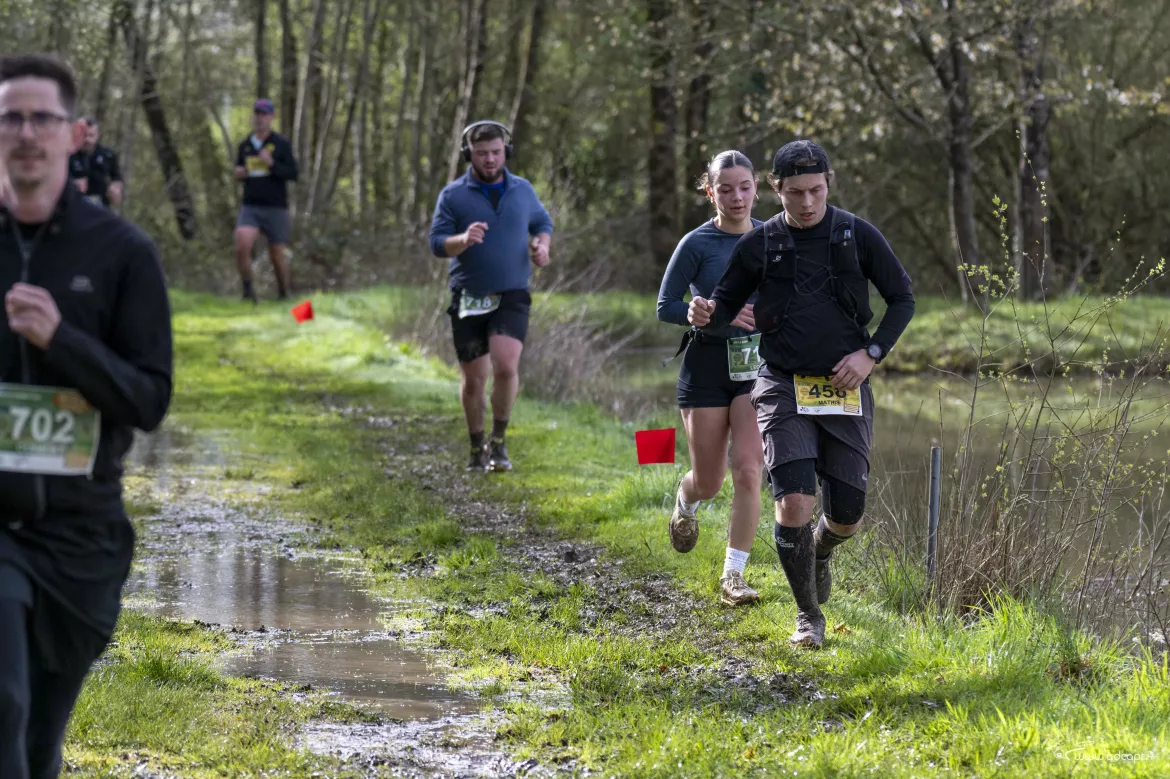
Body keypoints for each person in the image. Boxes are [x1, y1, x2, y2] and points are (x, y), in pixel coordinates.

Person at [0, 54, 173, 777]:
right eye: (10, 118)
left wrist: (60, 341)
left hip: (82, 533)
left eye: (41, 118)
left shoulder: (121, 253)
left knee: (38, 740)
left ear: (73, 134)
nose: (26, 133)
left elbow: (149, 399)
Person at [689, 140, 915, 648]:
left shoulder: (857, 234)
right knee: (793, 503)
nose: (807, 202)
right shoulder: (760, 244)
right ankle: (808, 617)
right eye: (795, 192)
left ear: (828, 183)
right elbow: (722, 307)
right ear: (776, 189)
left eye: (816, 190)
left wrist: (871, 353)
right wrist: (704, 313)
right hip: (781, 383)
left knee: (848, 516)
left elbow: (902, 298)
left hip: (844, 386)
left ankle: (821, 549)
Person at [656, 150, 765, 607]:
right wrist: (695, 311)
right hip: (706, 368)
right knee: (710, 480)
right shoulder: (697, 243)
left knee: (749, 469)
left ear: (757, 188)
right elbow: (666, 305)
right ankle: (686, 499)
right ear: (710, 192)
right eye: (725, 189)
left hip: (756, 369)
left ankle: (733, 576)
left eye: (745, 187)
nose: (737, 197)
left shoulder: (774, 237)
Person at [429, 121, 553, 473]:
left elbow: (542, 223)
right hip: (468, 295)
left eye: (496, 152)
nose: (490, 159)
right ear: (468, 154)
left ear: (506, 151)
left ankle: (498, 442)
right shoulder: (453, 195)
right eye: (482, 153)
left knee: (506, 365)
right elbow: (437, 243)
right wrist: (463, 239)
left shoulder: (522, 190)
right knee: (474, 379)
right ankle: (475, 445)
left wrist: (541, 246)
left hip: (513, 292)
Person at [234, 97, 298, 302]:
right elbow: (240, 168)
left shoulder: (281, 144)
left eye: (264, 115)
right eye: (257, 114)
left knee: (277, 254)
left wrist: (272, 164)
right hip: (251, 205)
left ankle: (284, 293)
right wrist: (240, 173)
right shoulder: (245, 145)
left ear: (271, 117)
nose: (259, 119)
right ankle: (248, 292)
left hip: (276, 206)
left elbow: (293, 174)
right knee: (242, 243)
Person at [67, 117, 122, 208]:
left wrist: (115, 187)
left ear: (98, 135)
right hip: (73, 205)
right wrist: (72, 184)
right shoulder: (67, 154)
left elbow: (117, 177)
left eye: (91, 135)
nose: (87, 140)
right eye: (84, 135)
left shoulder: (108, 155)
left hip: (100, 206)